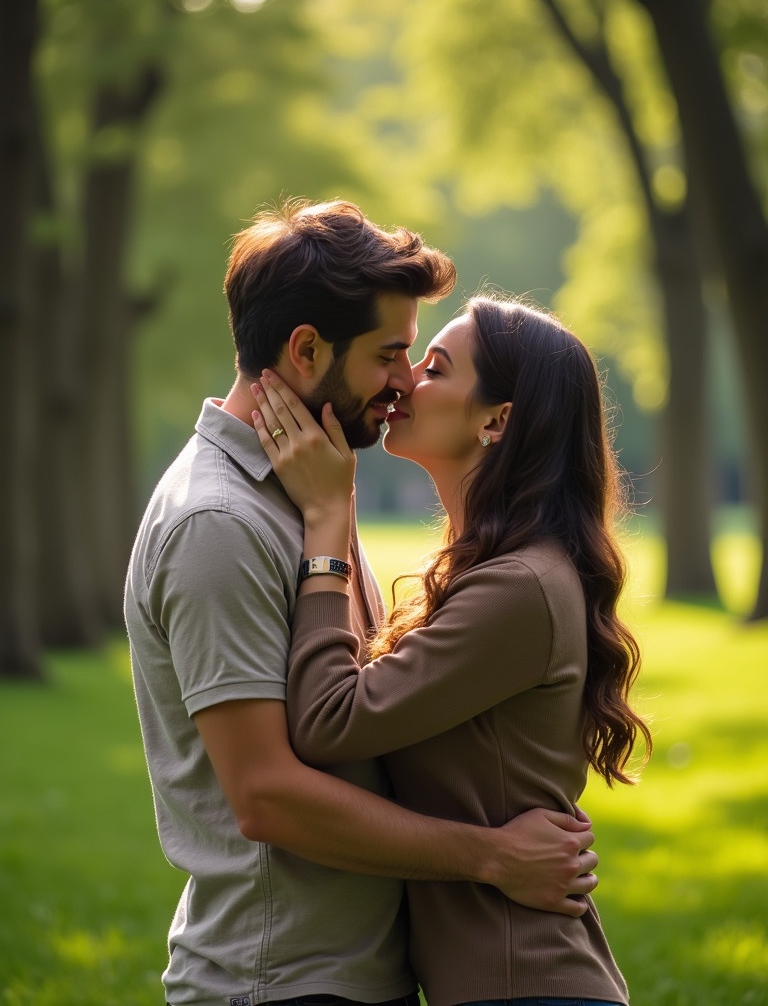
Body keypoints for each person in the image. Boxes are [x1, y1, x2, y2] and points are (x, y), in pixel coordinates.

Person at [124, 202, 601, 1006]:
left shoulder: (312, 494)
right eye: (390, 355)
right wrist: (490, 854)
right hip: (279, 977)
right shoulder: (222, 523)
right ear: (307, 350)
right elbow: (267, 794)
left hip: (359, 973)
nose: (403, 383)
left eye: (421, 360)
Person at [251, 292, 653, 1006]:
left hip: (528, 985)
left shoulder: (521, 589)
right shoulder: (490, 575)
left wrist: (325, 529)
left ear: (496, 419)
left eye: (434, 367)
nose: (403, 380)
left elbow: (329, 723)